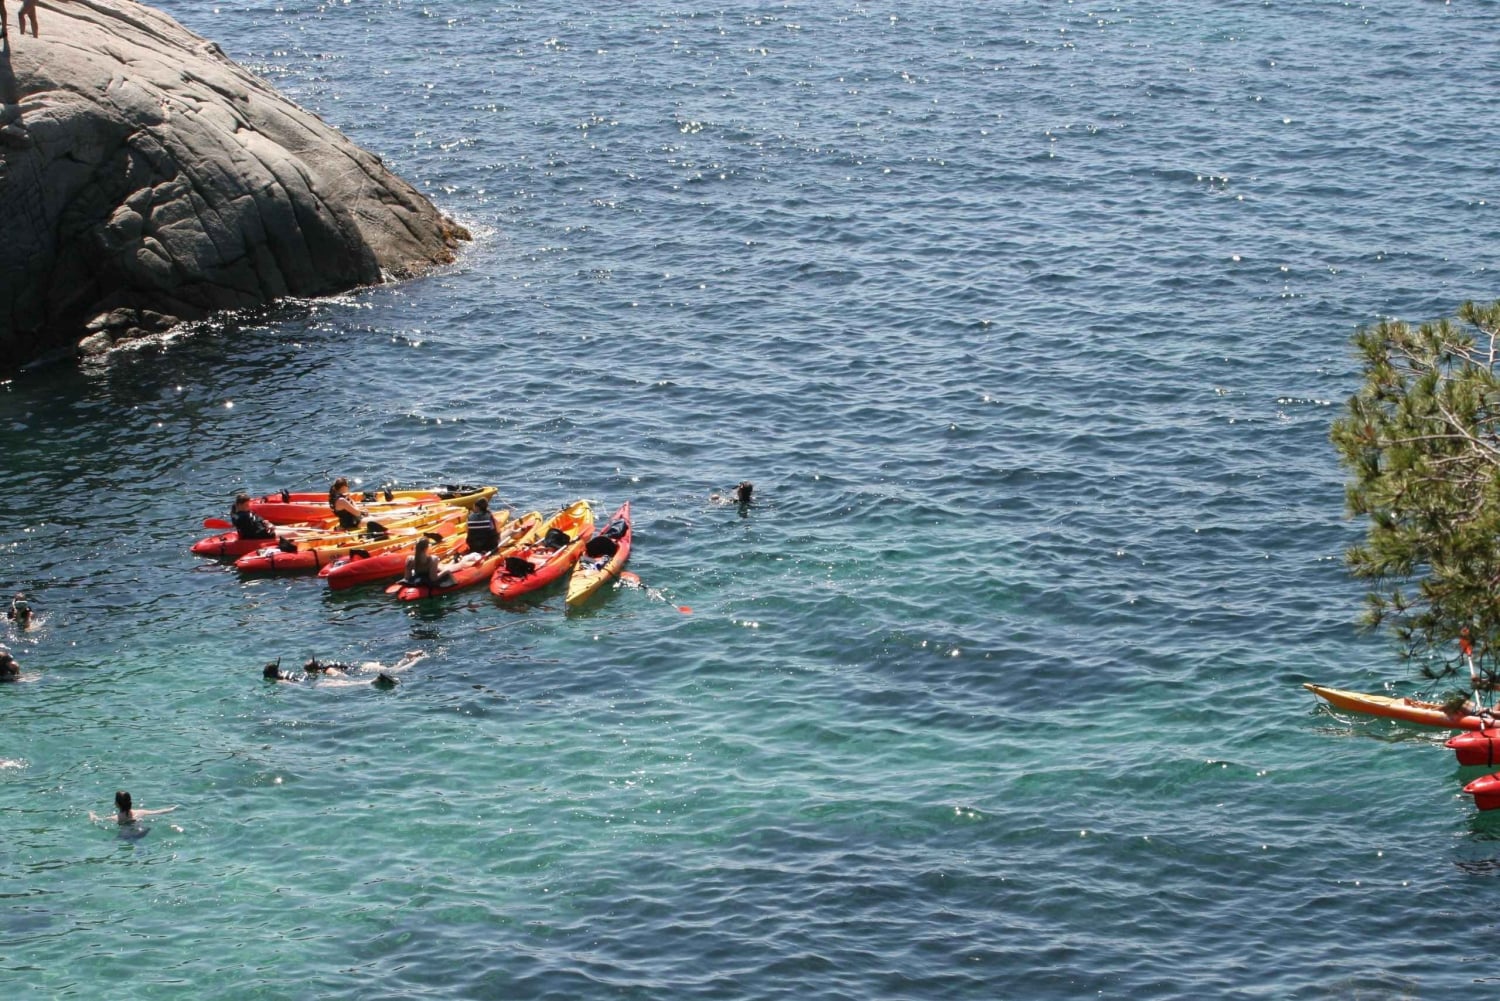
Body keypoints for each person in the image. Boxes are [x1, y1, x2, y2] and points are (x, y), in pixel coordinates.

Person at [91, 790, 176, 825]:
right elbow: (158, 812)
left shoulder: (115, 818)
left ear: (116, 804)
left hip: (126, 835)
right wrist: (173, 809)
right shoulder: (141, 812)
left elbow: (97, 820)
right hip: (141, 831)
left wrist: (91, 814)